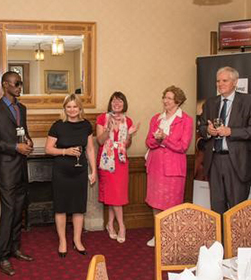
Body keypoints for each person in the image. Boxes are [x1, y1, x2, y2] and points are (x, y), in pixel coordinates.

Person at [0, 71, 34, 276]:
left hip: (21, 168)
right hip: (5, 170)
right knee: (8, 212)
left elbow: (23, 131)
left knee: (19, 210)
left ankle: (14, 248)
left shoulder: (21, 108)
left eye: (21, 83)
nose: (20, 87)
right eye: (16, 83)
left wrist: (28, 141)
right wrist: (15, 147)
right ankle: (2, 256)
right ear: (5, 85)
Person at [198, 66, 251, 214]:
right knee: (217, 205)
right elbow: (201, 127)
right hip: (214, 160)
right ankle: (219, 237)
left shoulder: (249, 101)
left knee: (236, 209)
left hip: (237, 162)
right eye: (218, 81)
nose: (220, 84)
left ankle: (235, 238)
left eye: (224, 80)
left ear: (235, 82)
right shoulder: (210, 103)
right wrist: (208, 131)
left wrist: (231, 131)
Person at [45, 94, 97, 258]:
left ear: (80, 108)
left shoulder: (86, 125)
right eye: (69, 107)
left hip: (80, 171)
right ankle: (63, 241)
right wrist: (65, 151)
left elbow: (89, 149)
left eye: (75, 106)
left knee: (78, 208)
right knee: (60, 207)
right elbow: (48, 149)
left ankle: (77, 240)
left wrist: (93, 170)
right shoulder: (58, 126)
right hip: (61, 172)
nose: (72, 109)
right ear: (64, 108)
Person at [144, 86, 193, 247]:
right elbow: (148, 142)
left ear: (178, 101)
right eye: (164, 97)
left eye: (169, 98)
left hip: (173, 168)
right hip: (156, 167)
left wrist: (164, 139)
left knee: (172, 204)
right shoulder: (156, 119)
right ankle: (158, 235)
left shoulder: (186, 120)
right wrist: (157, 140)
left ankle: (171, 237)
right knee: (156, 202)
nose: (165, 101)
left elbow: (183, 146)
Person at [96, 91, 137, 244]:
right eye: (114, 101)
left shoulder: (128, 121)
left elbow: (127, 144)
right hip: (107, 160)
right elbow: (100, 141)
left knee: (117, 195)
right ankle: (121, 226)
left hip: (120, 161)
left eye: (120, 101)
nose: (117, 104)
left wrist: (129, 136)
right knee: (114, 196)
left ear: (124, 104)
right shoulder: (102, 118)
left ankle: (109, 224)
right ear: (110, 103)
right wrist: (108, 129)